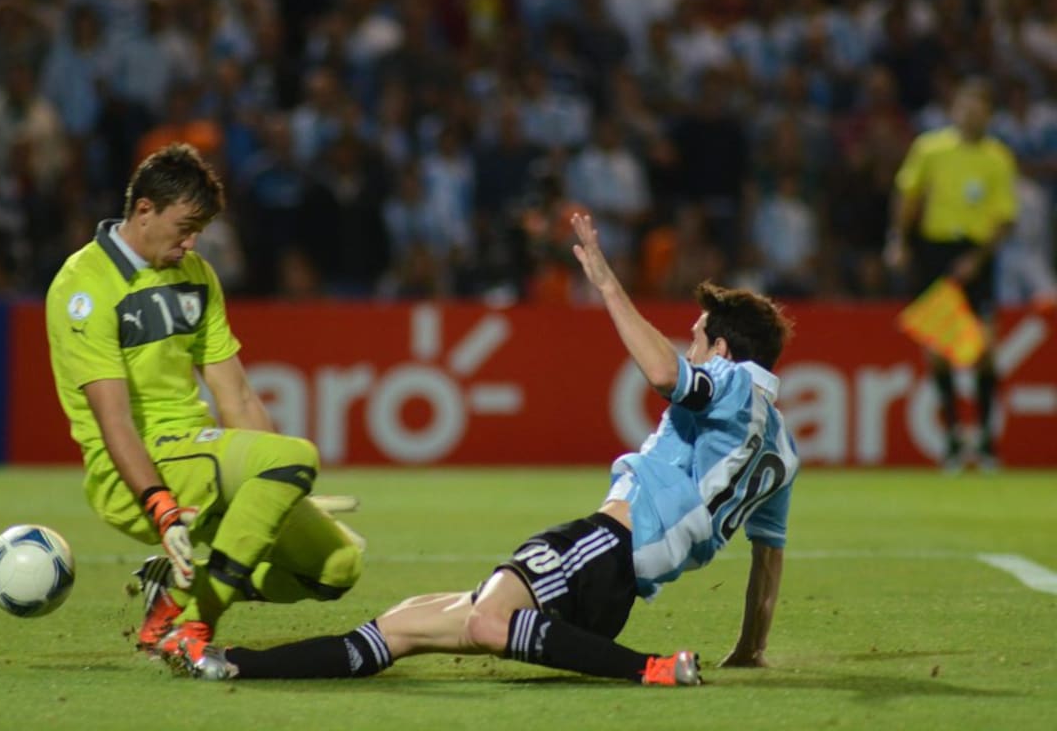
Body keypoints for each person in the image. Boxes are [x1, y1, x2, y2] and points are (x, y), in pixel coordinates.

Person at [167, 212, 799, 686]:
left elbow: (664, 375)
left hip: (604, 546)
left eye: (695, 338)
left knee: (486, 623)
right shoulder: (784, 453)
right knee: (404, 625)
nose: (688, 346)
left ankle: (657, 669)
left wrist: (607, 284)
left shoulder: (731, 381)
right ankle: (232, 665)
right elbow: (766, 562)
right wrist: (750, 646)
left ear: (721, 350)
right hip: (610, 594)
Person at [45, 143, 363, 659]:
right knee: (297, 456)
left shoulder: (196, 276)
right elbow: (113, 421)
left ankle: (175, 593)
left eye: (200, 231)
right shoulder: (82, 286)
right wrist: (162, 507)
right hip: (136, 470)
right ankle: (194, 629)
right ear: (144, 210)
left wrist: (276, 489)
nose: (192, 243)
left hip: (197, 452)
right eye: (184, 227)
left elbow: (234, 393)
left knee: (337, 569)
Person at [884, 78, 1019, 472]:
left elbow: (1004, 218)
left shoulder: (998, 157)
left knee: (985, 350)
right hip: (934, 254)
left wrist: (977, 258)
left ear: (989, 115)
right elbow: (909, 194)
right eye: (964, 106)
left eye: (978, 108)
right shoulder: (931, 148)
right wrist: (899, 240)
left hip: (975, 256)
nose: (969, 114)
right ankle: (954, 441)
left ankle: (987, 442)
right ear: (954, 109)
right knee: (938, 352)